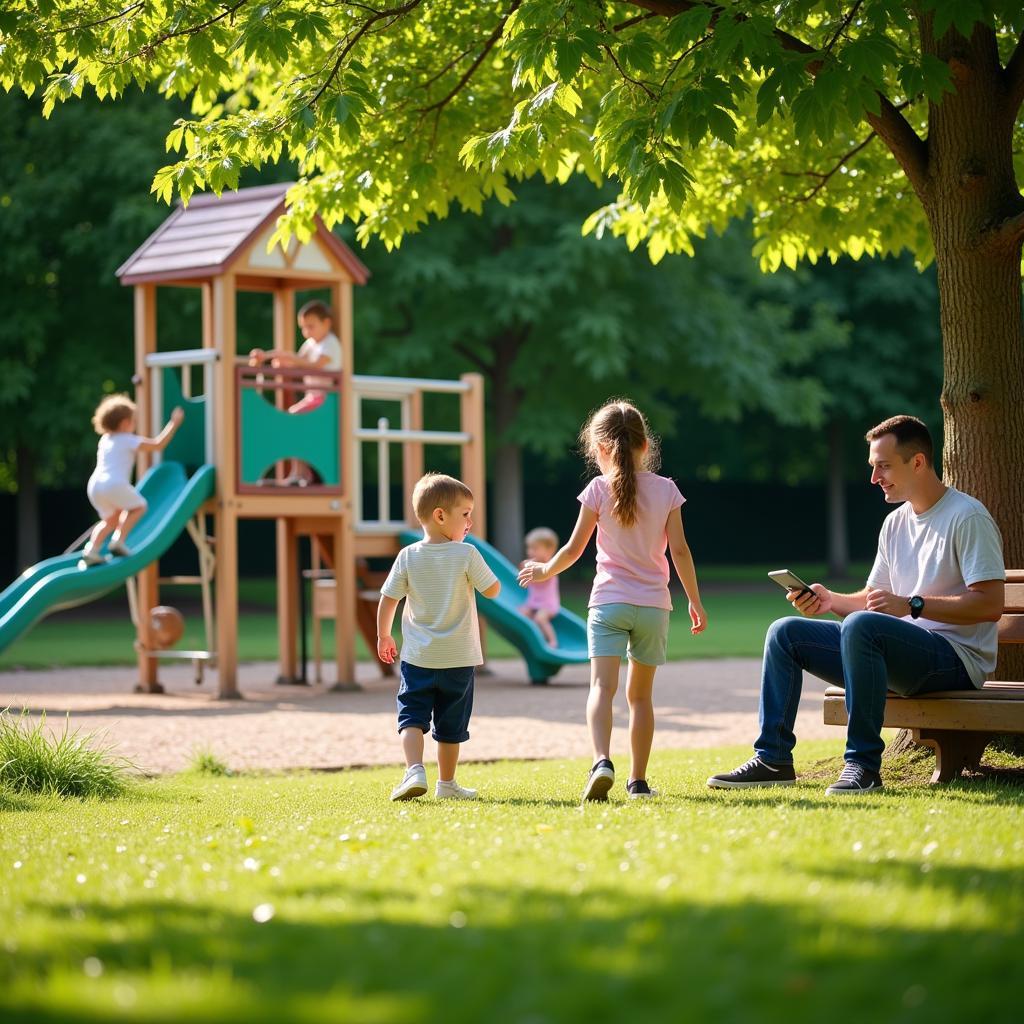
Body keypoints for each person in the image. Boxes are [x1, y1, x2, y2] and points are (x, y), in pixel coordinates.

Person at [708, 415, 1005, 795]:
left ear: (917, 462)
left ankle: (862, 766)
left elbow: (989, 604)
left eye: (883, 465)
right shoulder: (895, 523)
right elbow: (873, 598)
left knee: (863, 625)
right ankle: (773, 758)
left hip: (955, 659)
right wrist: (831, 600)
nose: (874, 477)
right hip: (898, 651)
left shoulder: (967, 517)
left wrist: (912, 605)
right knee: (785, 633)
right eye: (872, 467)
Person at [518, 400, 707, 801]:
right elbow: (682, 552)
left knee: (602, 689)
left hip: (608, 603)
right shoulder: (667, 490)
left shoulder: (597, 491)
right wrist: (694, 600)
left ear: (600, 448)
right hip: (654, 606)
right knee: (640, 698)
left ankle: (601, 760)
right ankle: (638, 782)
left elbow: (572, 550)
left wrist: (543, 571)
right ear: (644, 446)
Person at [377, 472, 500, 801]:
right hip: (459, 658)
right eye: (465, 514)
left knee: (411, 715)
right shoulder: (466, 554)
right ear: (440, 516)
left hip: (418, 657)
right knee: (451, 725)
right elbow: (492, 589)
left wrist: (383, 636)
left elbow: (389, 598)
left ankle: (414, 769)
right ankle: (447, 784)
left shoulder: (408, 556)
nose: (470, 522)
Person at [81, 395, 184, 567]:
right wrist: (174, 423)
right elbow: (158, 444)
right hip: (113, 484)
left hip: (95, 486)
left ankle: (92, 550)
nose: (134, 425)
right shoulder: (128, 439)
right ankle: (118, 541)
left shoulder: (105, 440)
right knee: (139, 506)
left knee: (111, 520)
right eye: (133, 421)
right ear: (124, 423)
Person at [247, 299, 342, 485]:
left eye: (311, 326)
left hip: (326, 399)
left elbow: (314, 365)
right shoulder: (311, 344)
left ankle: (303, 473)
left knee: (295, 419)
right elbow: (296, 359)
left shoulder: (330, 344)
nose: (307, 332)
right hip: (313, 398)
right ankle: (299, 472)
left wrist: (288, 359)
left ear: (326, 323)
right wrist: (268, 357)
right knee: (292, 421)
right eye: (303, 328)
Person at [520, 526, 561, 646]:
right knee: (520, 613)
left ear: (549, 550)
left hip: (548, 605)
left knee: (540, 618)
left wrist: (530, 568)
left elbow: (543, 577)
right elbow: (524, 579)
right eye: (529, 548)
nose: (530, 552)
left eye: (535, 548)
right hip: (533, 602)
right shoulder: (531, 564)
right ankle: (534, 636)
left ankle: (553, 641)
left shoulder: (552, 566)